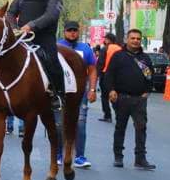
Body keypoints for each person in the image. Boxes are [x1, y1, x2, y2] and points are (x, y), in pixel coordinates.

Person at [6, 0, 65, 111]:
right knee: (0, 55)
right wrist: (13, 28)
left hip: (43, 38)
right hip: (21, 38)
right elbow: (11, 13)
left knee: (52, 61)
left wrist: (32, 26)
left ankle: (57, 94)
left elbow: (51, 15)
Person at [103, 28, 155, 170]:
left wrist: (147, 91)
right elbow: (109, 75)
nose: (135, 41)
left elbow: (150, 76)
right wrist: (111, 90)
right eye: (133, 38)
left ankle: (140, 159)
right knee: (120, 128)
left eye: (138, 39)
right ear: (127, 39)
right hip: (122, 98)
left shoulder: (145, 58)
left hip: (139, 100)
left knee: (141, 128)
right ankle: (118, 156)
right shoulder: (118, 56)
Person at [58, 21, 98, 168]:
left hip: (79, 94)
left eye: (75, 30)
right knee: (59, 124)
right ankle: (58, 154)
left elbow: (92, 70)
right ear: (64, 32)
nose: (72, 33)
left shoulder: (85, 49)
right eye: (69, 30)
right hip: (59, 92)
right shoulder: (57, 47)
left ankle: (80, 156)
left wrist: (92, 90)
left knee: (80, 124)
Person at [97, 33, 120, 122]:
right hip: (118, 76)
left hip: (106, 75)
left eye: (105, 39)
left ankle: (107, 115)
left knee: (105, 96)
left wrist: (98, 75)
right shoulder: (119, 48)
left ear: (108, 40)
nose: (104, 41)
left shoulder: (105, 49)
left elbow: (100, 63)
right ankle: (119, 114)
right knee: (115, 95)